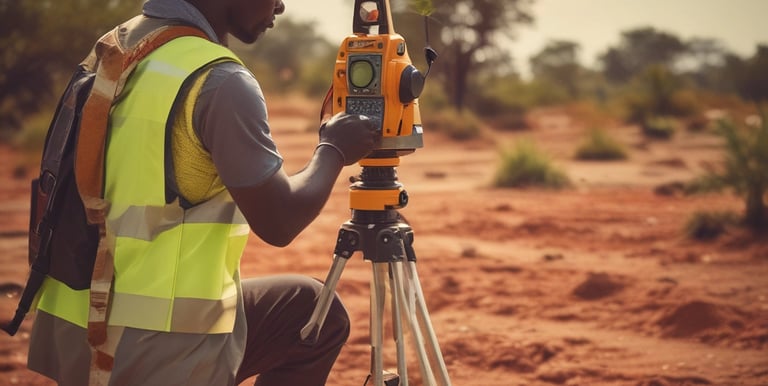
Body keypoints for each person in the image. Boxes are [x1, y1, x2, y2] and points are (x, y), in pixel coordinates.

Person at [26, 0, 378, 385]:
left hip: (78, 340)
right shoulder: (219, 80)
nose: (280, 5)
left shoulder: (114, 47)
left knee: (312, 310)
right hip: (161, 352)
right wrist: (333, 149)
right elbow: (281, 221)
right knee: (316, 316)